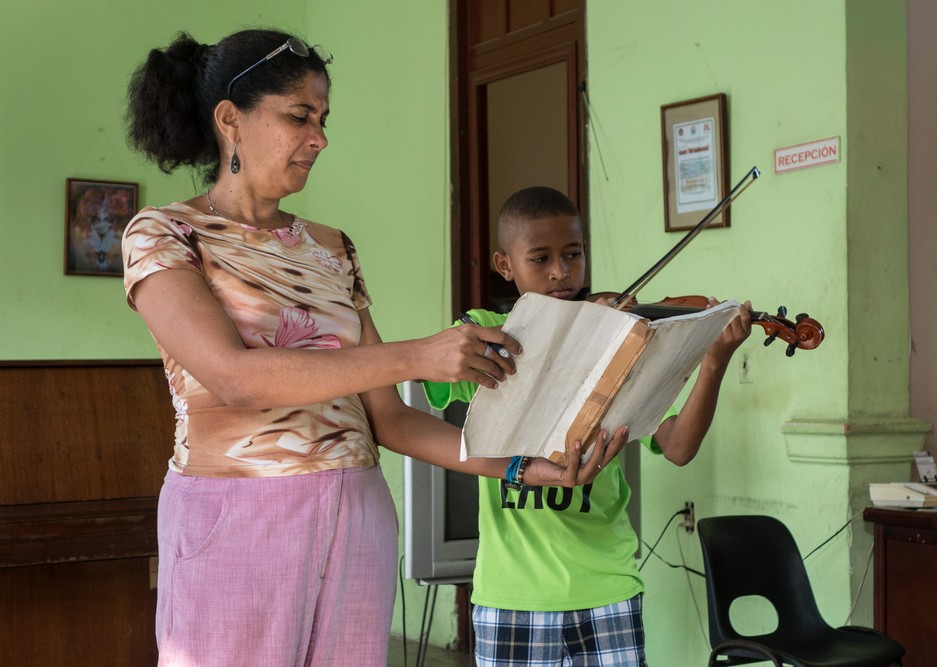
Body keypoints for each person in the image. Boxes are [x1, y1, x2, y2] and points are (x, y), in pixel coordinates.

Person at [122, 30, 626, 667]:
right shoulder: (165, 234)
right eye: (300, 117)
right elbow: (234, 379)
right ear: (231, 121)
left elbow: (388, 419)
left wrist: (524, 466)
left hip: (356, 514)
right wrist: (421, 355)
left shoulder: (333, 248)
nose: (319, 138)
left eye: (324, 119)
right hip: (236, 516)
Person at [423, 186, 752, 667]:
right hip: (511, 596)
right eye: (541, 258)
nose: (561, 271)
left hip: (608, 587)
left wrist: (714, 361)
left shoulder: (621, 339)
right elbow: (428, 375)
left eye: (572, 254)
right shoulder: (487, 330)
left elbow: (679, 447)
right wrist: (556, 335)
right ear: (504, 264)